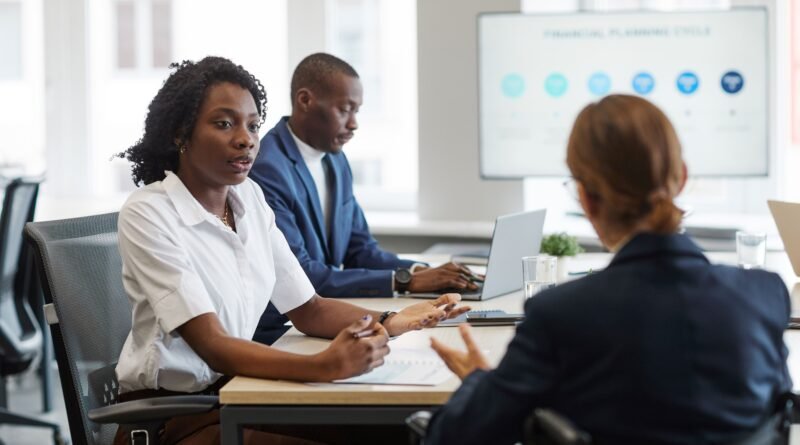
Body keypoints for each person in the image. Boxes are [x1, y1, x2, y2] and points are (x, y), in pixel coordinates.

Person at [113, 56, 468, 445]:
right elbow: (212, 345)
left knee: (400, 429)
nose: (246, 138)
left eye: (252, 125)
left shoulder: (248, 198)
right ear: (182, 132)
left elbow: (308, 308)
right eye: (224, 123)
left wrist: (391, 319)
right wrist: (322, 366)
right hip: (175, 418)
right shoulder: (149, 212)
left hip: (237, 395)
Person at [426, 95, 792, 444]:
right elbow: (774, 414)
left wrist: (478, 383)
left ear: (585, 197)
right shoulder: (764, 294)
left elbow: (454, 437)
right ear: (680, 178)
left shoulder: (561, 314)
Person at [248, 53, 480, 343]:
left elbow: (361, 250)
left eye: (357, 111)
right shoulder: (267, 166)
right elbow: (305, 273)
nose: (354, 123)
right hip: (284, 331)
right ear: (305, 100)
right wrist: (405, 282)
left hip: (325, 321)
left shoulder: (335, 160)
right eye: (345, 109)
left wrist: (422, 272)